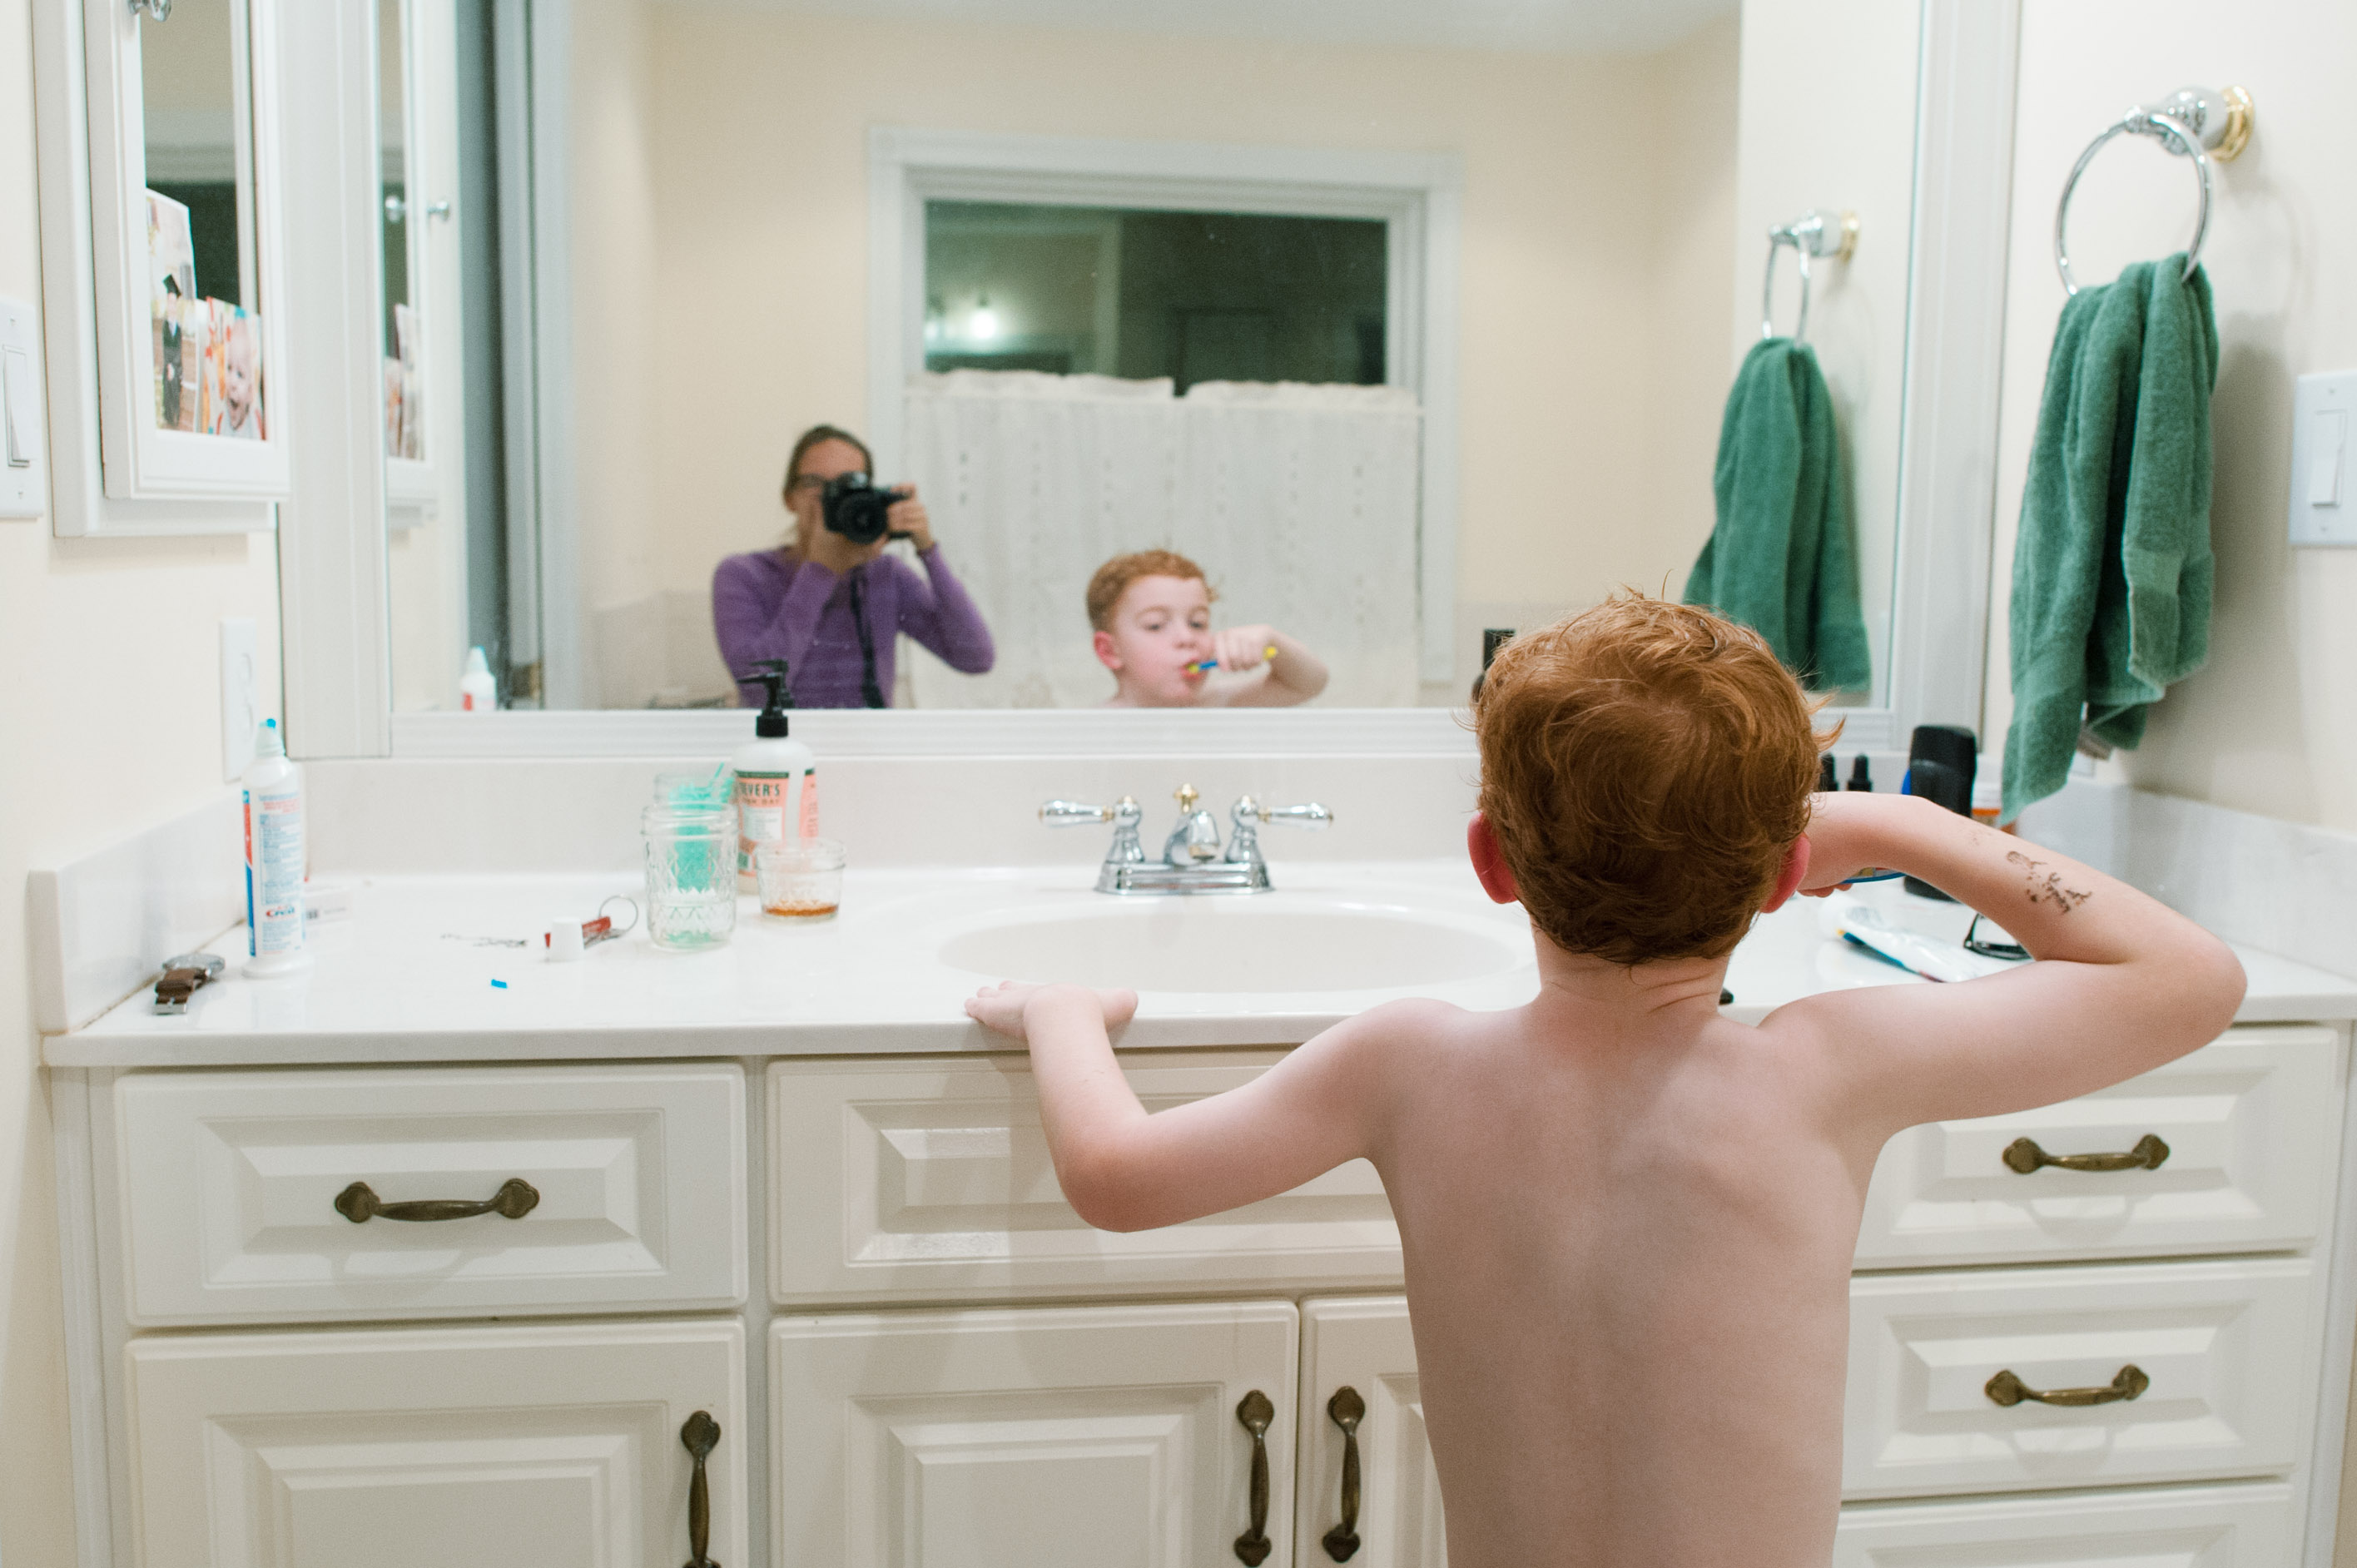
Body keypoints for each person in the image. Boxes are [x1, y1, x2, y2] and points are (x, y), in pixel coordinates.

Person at [963, 594, 2245, 1568]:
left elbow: (1118, 1181)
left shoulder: (1408, 1064)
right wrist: (1893, 823)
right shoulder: (1826, 1068)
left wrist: (1065, 1015)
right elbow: (2190, 978)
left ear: (1491, 861)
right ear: (1783, 873)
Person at [713, 424, 995, 707]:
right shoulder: (744, 574)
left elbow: (976, 658)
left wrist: (928, 551)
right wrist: (822, 571)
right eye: (814, 482)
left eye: (847, 485)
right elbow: (760, 689)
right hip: (784, 748)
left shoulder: (886, 575)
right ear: (790, 497)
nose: (827, 498)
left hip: (867, 747)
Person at [1085, 548, 1327, 707]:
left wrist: (1273, 641)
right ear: (1110, 651)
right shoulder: (1091, 728)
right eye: (1156, 625)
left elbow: (1308, 683)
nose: (1187, 638)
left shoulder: (1220, 704)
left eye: (1197, 623)